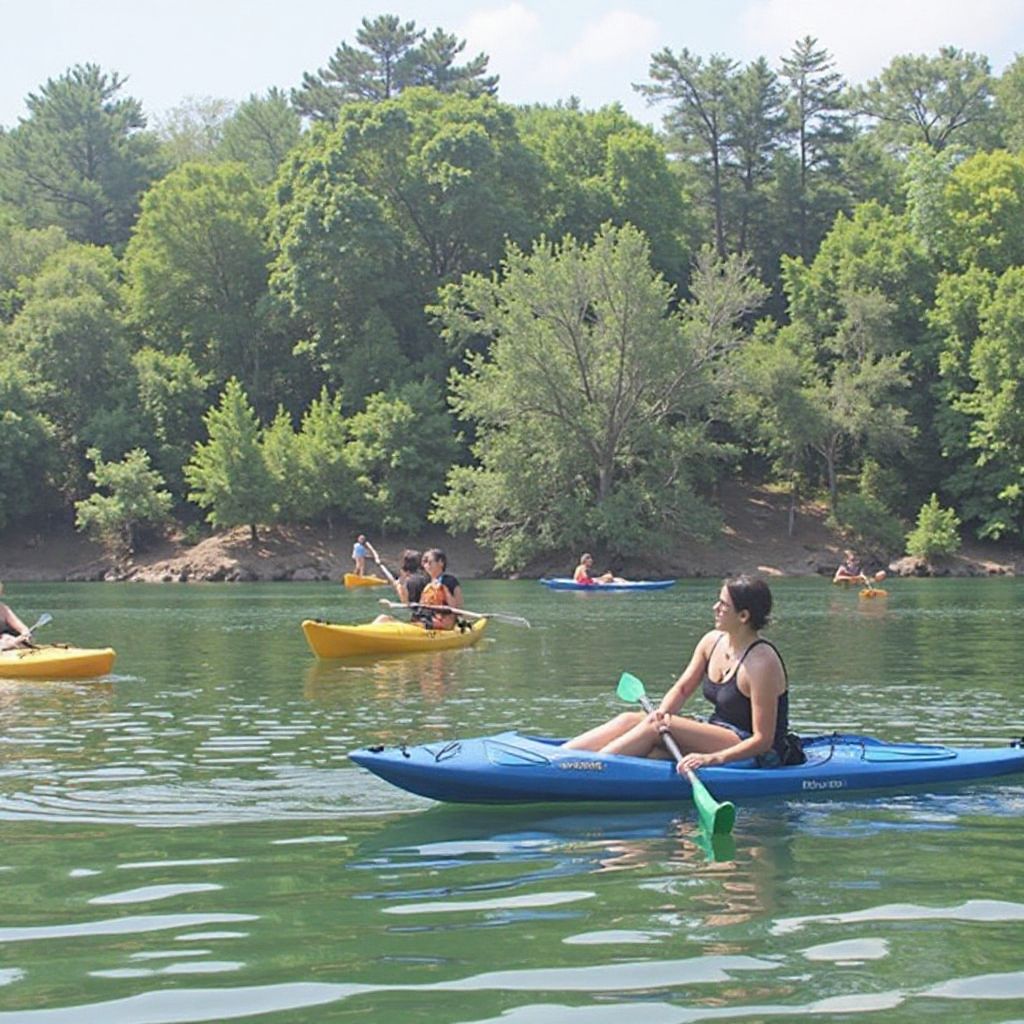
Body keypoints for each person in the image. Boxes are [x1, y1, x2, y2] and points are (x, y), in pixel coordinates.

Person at [564, 575, 792, 771]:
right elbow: (682, 689)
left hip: (752, 749)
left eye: (723, 605)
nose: (715, 608)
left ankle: (586, 771)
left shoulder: (762, 663)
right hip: (718, 731)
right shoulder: (711, 642)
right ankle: (558, 760)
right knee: (633, 721)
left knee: (655, 729)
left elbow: (763, 741)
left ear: (743, 616)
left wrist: (711, 759)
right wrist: (662, 712)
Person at [412, 548, 463, 631]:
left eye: (429, 562)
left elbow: (457, 608)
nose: (426, 565)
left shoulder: (449, 581)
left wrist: (444, 590)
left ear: (441, 562)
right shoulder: (427, 584)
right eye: (424, 562)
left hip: (443, 623)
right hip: (426, 620)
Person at [373, 550, 429, 623]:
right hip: (423, 618)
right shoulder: (426, 579)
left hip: (419, 623)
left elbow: (407, 605)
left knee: (382, 619)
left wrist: (390, 604)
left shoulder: (410, 582)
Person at [0, 583, 31, 651]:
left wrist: (25, 634)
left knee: (10, 638)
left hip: (9, 642)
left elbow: (22, 628)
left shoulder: (4, 609)